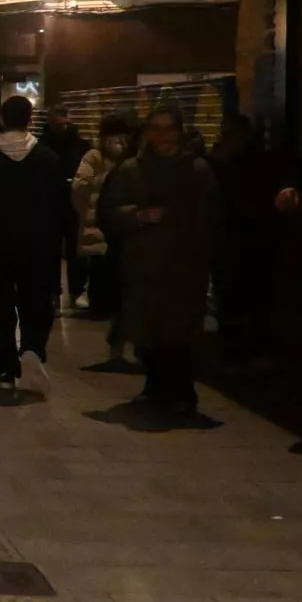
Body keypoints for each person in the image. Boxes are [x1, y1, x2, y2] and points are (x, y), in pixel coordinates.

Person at [105, 104, 222, 414]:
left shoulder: (197, 171)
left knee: (180, 332)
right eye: (156, 128)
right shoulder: (131, 170)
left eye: (169, 128)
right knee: (148, 331)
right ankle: (155, 387)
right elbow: (110, 212)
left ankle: (182, 390)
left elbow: (211, 216)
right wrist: (138, 215)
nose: (162, 136)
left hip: (185, 266)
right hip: (143, 264)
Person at [0, 95, 72, 390]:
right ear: (30, 120)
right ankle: (33, 348)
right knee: (36, 301)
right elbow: (61, 206)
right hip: (38, 246)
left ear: (1, 118)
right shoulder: (47, 159)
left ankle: (5, 366)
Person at [209, 113, 285, 363]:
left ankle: (244, 350)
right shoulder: (224, 163)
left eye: (227, 134)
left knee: (246, 301)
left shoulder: (251, 165)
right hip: (236, 243)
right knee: (236, 302)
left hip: (247, 243)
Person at [74, 115, 135, 362]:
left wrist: (85, 211)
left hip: (100, 222)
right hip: (120, 226)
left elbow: (79, 187)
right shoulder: (133, 158)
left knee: (104, 269)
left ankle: (102, 309)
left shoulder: (95, 156)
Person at [43, 106, 91, 307]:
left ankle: (73, 290)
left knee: (73, 249)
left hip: (67, 204)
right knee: (56, 250)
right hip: (55, 204)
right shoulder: (79, 146)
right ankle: (61, 291)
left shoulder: (43, 146)